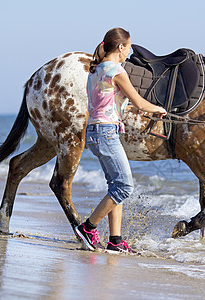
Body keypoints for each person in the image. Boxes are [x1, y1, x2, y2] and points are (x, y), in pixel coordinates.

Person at [75, 28, 167, 253]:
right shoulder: (116, 70)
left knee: (115, 185)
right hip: (106, 132)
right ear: (120, 47)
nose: (129, 52)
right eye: (128, 47)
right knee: (124, 187)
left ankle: (115, 241)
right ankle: (88, 227)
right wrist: (159, 109)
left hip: (96, 132)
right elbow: (139, 103)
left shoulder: (95, 70)